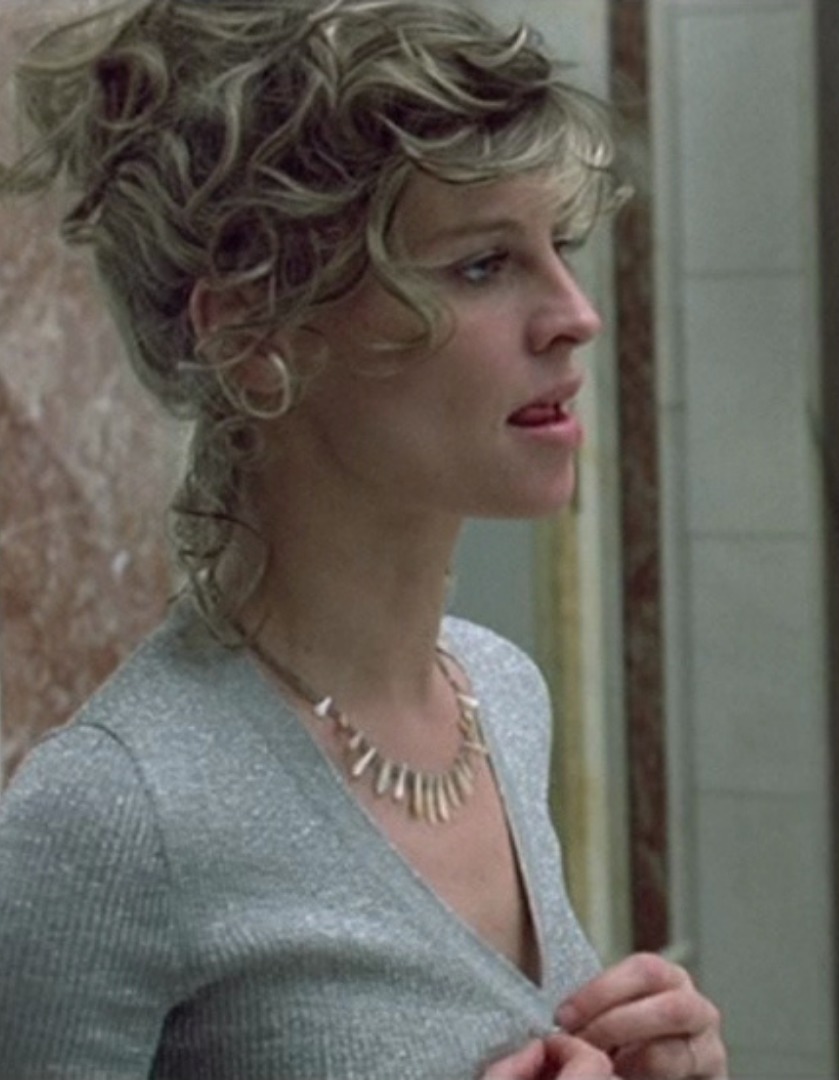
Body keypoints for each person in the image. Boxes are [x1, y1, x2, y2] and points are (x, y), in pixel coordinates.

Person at [0, 2, 726, 1077]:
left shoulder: (503, 697)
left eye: (560, 248)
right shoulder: (115, 814)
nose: (576, 314)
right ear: (254, 335)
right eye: (483, 264)